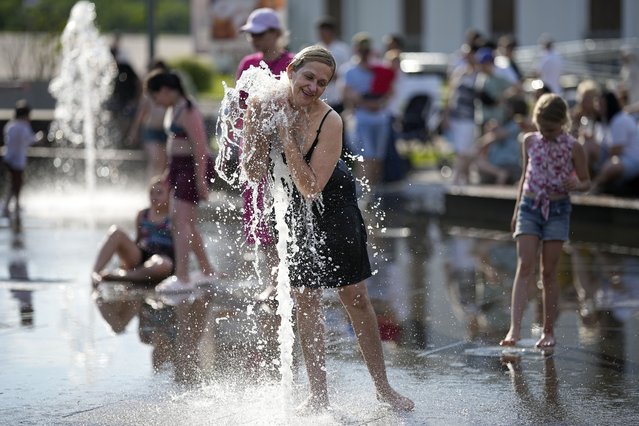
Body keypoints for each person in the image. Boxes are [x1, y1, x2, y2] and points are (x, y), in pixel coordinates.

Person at [241, 44, 414, 412]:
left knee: (354, 296)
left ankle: (383, 387)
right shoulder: (263, 104)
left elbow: (311, 187)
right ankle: (318, 394)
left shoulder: (329, 120)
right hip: (290, 210)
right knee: (305, 298)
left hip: (333, 206)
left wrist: (286, 136)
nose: (314, 87)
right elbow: (253, 172)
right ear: (290, 72)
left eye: (323, 82)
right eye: (309, 77)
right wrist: (256, 128)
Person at [500, 93, 590, 349]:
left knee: (548, 272)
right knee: (524, 265)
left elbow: (587, 181)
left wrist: (577, 184)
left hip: (558, 209)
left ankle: (548, 330)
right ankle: (515, 329)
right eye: (542, 128)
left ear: (563, 122)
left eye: (550, 129)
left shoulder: (574, 147)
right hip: (530, 206)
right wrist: (517, 209)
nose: (546, 134)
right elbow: (523, 176)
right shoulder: (529, 140)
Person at [236, 7, 294, 300]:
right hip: (257, 153)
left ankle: (294, 282)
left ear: (275, 33)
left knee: (288, 214)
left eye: (258, 34)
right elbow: (239, 108)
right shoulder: (248, 64)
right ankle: (274, 281)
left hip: (285, 154)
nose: (253, 40)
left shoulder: (292, 65)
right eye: (250, 35)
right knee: (262, 219)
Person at [144, 70, 217, 292]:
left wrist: (201, 180)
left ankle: (183, 276)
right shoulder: (173, 109)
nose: (155, 101)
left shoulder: (188, 110)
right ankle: (207, 270)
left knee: (180, 222)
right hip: (178, 168)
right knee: (185, 222)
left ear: (166, 91)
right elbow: (174, 144)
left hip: (190, 168)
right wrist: (169, 172)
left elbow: (200, 147)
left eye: (155, 96)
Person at [91, 176, 174, 286]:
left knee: (162, 264)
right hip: (142, 255)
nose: (154, 197)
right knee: (116, 232)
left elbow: (180, 245)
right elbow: (138, 239)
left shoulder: (173, 217)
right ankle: (95, 273)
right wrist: (125, 256)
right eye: (152, 193)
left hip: (164, 258)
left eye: (159, 193)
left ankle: (122, 276)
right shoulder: (142, 214)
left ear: (169, 195)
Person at [342, 32, 395, 189]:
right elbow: (347, 93)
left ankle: (374, 191)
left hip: (379, 117)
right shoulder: (350, 70)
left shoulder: (378, 68)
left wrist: (379, 102)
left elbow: (389, 90)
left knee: (378, 158)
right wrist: (365, 103)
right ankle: (364, 192)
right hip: (361, 117)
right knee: (365, 157)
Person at [127, 59, 170, 178]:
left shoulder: (168, 92)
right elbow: (141, 114)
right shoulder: (149, 93)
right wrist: (134, 131)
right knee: (156, 160)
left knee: (165, 164)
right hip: (152, 131)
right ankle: (152, 187)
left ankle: (161, 190)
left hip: (166, 131)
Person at [590, 90, 639, 194]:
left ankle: (594, 187)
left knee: (612, 165)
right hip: (620, 159)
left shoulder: (619, 120)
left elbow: (615, 152)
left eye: (602, 104)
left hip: (631, 161)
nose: (599, 108)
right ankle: (586, 182)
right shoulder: (605, 121)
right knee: (586, 146)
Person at [2, 100, 38, 229]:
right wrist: (39, 138)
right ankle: (12, 205)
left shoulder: (11, 125)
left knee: (14, 184)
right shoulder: (23, 126)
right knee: (17, 184)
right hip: (18, 160)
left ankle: (11, 205)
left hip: (10, 159)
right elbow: (30, 140)